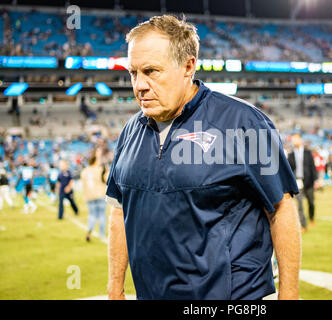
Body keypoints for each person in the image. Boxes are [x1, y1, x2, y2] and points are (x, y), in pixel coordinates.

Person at [106, 15, 301, 300]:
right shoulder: (130, 131)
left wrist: (290, 294)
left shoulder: (244, 123)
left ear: (188, 66)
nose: (139, 85)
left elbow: (281, 208)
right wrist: (114, 287)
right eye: (133, 73)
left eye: (151, 71)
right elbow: (119, 210)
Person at [287, 133, 317, 232]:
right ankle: (303, 225)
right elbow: (289, 170)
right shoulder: (290, 155)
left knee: (311, 202)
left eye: (296, 139)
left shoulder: (308, 153)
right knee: (299, 204)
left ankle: (312, 218)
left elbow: (312, 167)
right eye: (293, 140)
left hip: (309, 181)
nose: (294, 141)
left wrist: (316, 180)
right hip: (298, 182)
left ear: (300, 140)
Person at [80, 149, 108, 242]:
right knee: (101, 215)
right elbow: (107, 180)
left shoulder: (85, 171)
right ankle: (102, 234)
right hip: (100, 195)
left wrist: (85, 196)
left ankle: (89, 230)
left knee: (92, 215)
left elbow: (83, 186)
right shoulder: (100, 169)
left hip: (89, 196)